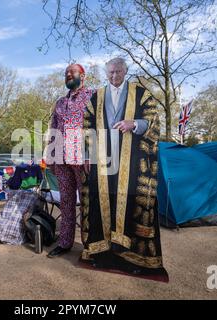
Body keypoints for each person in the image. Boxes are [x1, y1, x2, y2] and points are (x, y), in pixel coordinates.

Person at [80, 58, 168, 281]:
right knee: (101, 203)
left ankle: (132, 258)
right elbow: (87, 124)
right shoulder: (97, 96)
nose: (114, 76)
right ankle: (101, 253)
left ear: (126, 71)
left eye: (118, 71)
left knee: (129, 204)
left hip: (133, 158)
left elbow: (153, 121)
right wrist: (88, 153)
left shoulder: (141, 93)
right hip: (103, 160)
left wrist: (135, 124)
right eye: (110, 72)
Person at [45, 64, 93, 258]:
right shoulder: (59, 103)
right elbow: (53, 130)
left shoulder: (92, 96)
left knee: (89, 202)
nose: (67, 75)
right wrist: (50, 156)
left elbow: (97, 126)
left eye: (71, 72)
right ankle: (65, 242)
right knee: (66, 202)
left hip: (82, 158)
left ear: (82, 75)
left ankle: (90, 246)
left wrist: (91, 154)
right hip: (62, 159)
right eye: (65, 73)